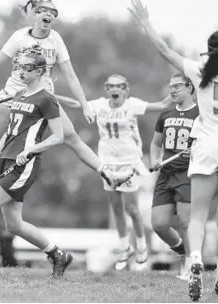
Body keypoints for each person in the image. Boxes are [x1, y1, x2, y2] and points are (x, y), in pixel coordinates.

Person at [0, 0, 131, 198]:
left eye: (53, 12)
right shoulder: (19, 37)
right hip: (12, 96)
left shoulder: (55, 39)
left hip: (41, 99)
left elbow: (71, 76)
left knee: (71, 137)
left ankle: (108, 174)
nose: (49, 15)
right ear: (36, 14)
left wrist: (85, 106)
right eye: (44, 10)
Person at [130, 0, 218, 300]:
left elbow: (164, 49)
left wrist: (144, 22)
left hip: (205, 146)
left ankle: (196, 263)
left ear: (210, 50)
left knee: (198, 217)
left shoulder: (198, 69)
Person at [0, 50, 72, 279]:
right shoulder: (18, 94)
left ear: (39, 70)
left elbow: (58, 136)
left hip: (24, 164)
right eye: (18, 66)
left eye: (26, 67)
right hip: (7, 160)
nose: (20, 71)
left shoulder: (47, 99)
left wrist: (31, 150)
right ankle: (58, 255)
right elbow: (10, 134)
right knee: (14, 225)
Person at [58, 74, 174, 271]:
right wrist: (51, 95)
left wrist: (185, 88)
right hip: (107, 162)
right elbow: (76, 104)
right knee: (116, 206)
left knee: (132, 209)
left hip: (129, 162)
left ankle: (141, 246)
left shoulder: (132, 105)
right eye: (110, 86)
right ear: (106, 89)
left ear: (125, 89)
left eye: (118, 86)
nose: (114, 89)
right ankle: (123, 247)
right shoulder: (100, 105)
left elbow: (162, 105)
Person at [150, 73, 199, 280]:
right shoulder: (166, 113)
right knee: (159, 224)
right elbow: (155, 144)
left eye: (177, 86)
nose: (173, 90)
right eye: (170, 86)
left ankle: (190, 264)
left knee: (186, 223)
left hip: (187, 173)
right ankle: (181, 250)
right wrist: (154, 159)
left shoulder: (201, 114)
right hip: (166, 173)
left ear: (190, 88)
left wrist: (195, 150)